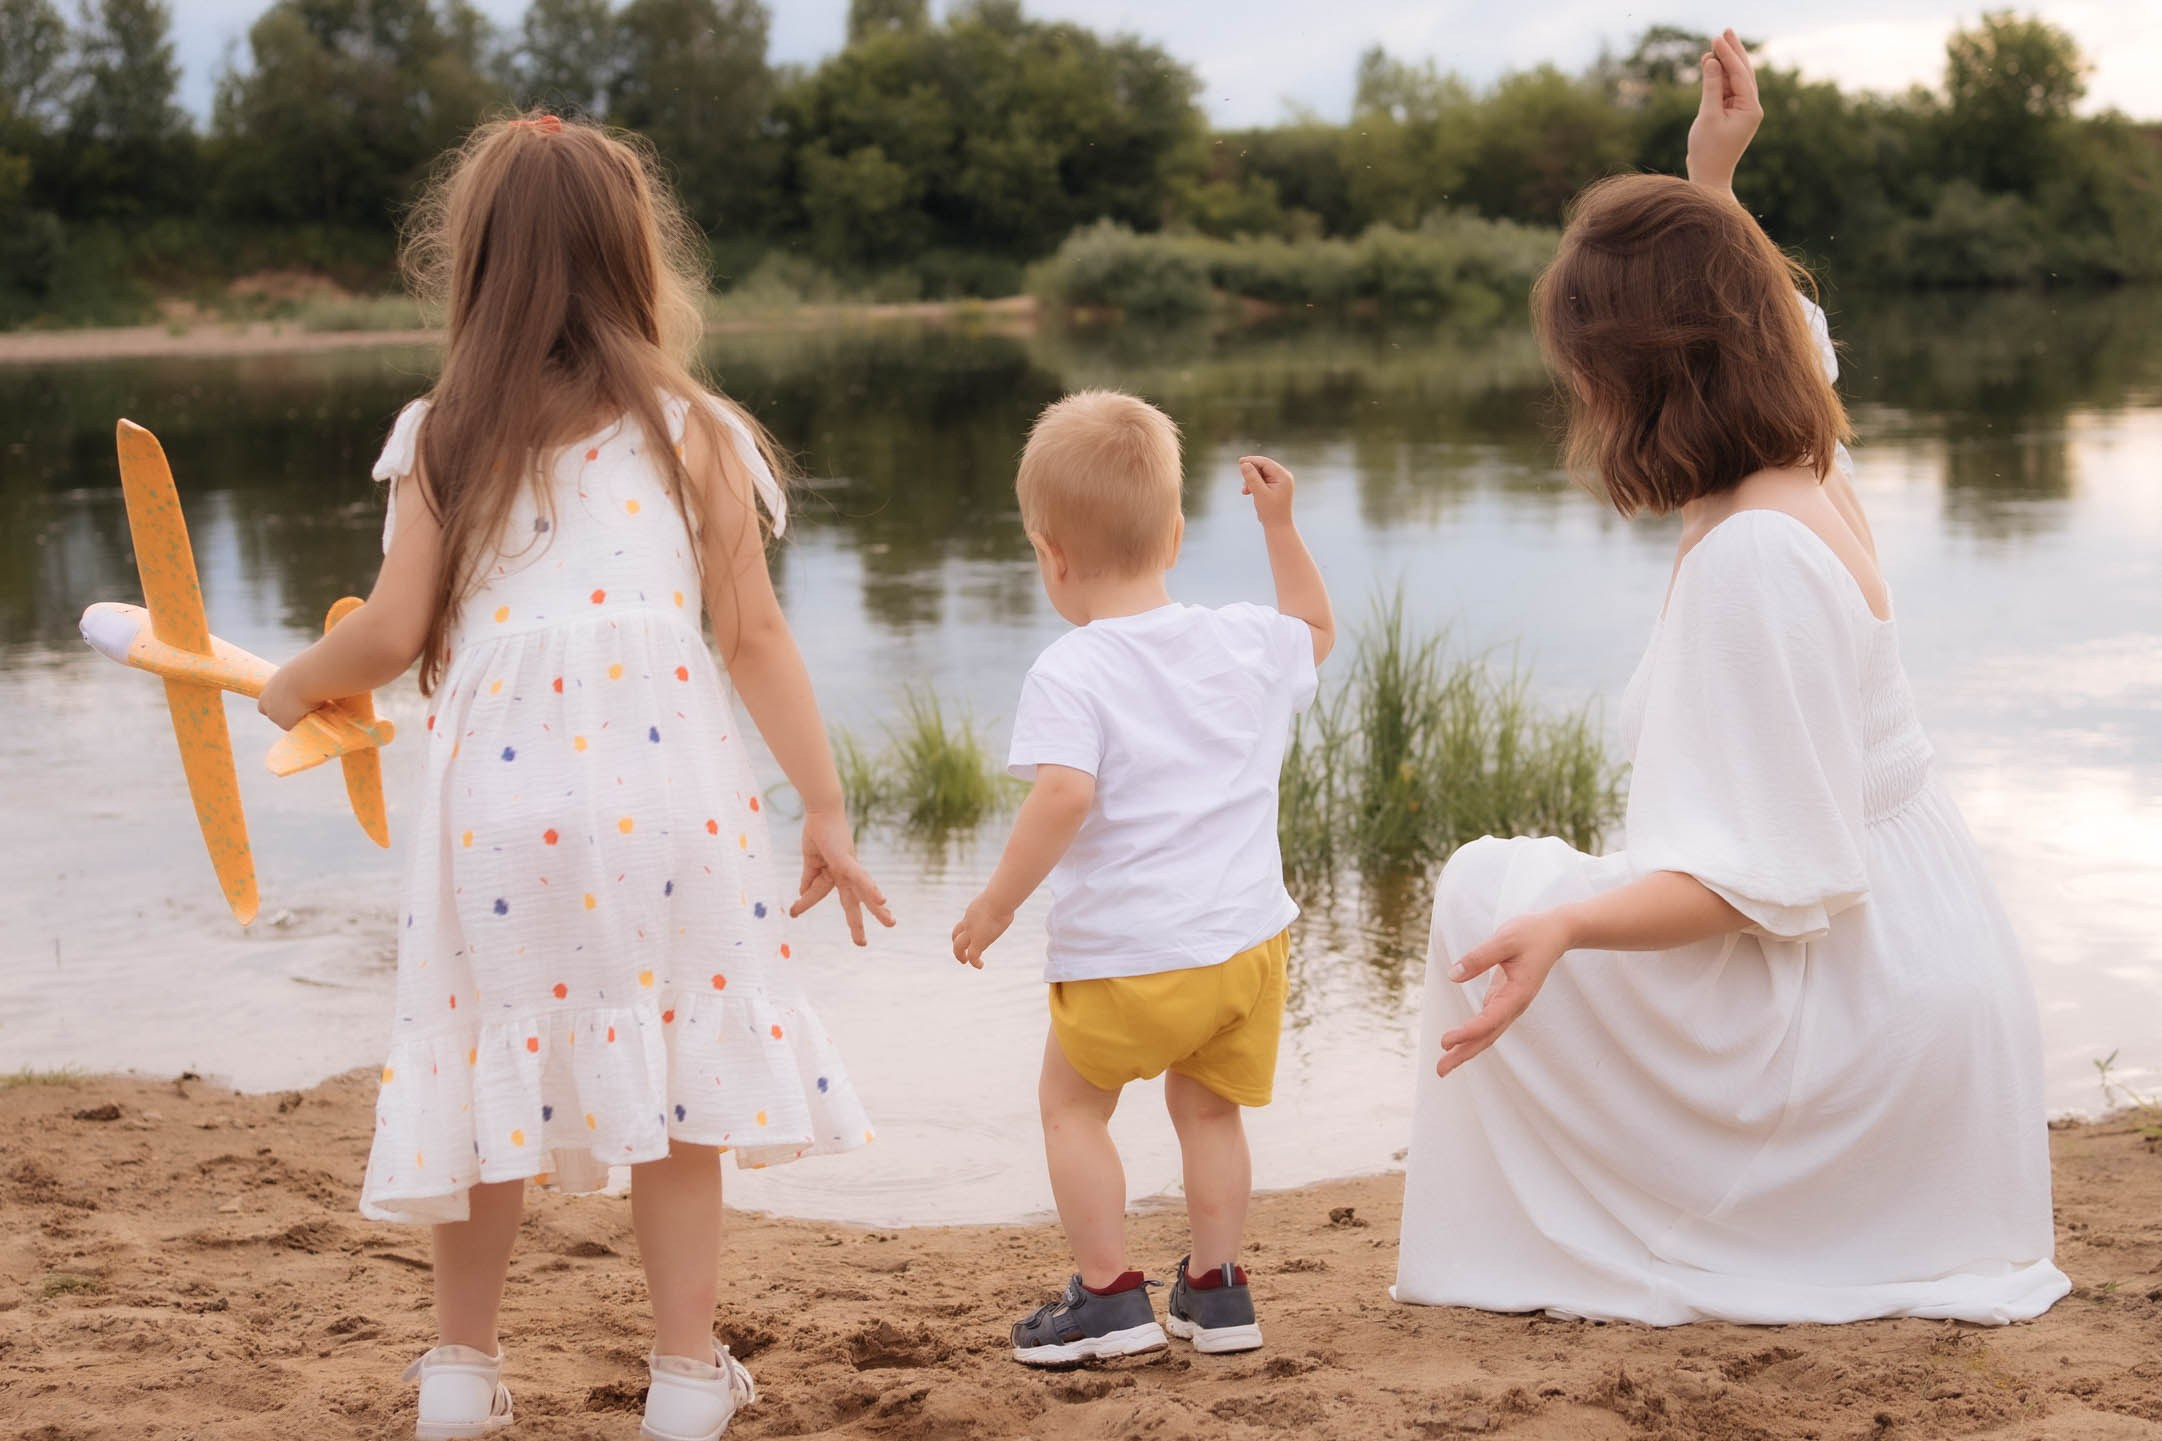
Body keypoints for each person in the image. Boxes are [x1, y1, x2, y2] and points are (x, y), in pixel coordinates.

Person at [1394, 32, 2070, 1325]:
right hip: (1922, 969)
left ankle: (1585, 1241)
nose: (1577, 390)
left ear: (1640, 373)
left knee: (1486, 890)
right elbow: (1786, 332)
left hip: (1854, 1023)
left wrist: (1569, 927)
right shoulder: (1800, 459)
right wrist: (1710, 182)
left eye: (1586, 363)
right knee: (1526, 892)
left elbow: (1761, 881)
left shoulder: (1752, 559)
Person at [259, 114, 892, 1441]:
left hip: (499, 812)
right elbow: (754, 635)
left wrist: (291, 681)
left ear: (474, 267)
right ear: (633, 261)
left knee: (487, 1063)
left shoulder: (443, 436)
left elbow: (386, 634)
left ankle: (457, 1371)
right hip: (667, 802)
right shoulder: (693, 430)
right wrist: (823, 808)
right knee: (673, 1083)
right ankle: (678, 1376)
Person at [950, 393, 1334, 1363]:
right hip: (1246, 950)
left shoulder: (1072, 668)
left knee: (1071, 1105)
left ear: (1048, 552)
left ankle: (1109, 1294)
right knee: (1208, 1110)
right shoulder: (1243, 639)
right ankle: (1214, 1290)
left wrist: (996, 903)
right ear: (1172, 536)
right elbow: (1315, 630)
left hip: (1131, 957)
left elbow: (1063, 795)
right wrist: (1278, 527)